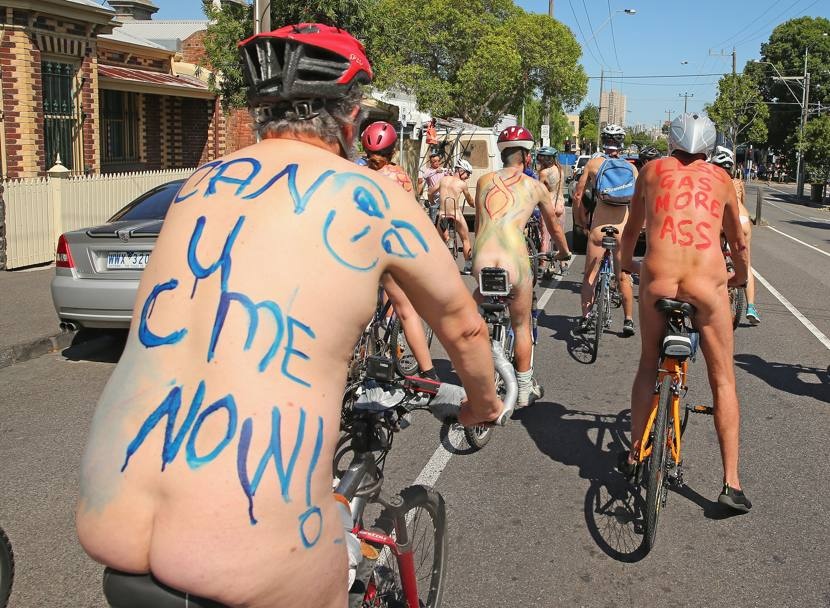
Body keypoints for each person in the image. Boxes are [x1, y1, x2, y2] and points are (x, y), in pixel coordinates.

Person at [77, 24, 504, 608]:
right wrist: (481, 405)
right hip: (244, 554)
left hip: (112, 521)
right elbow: (464, 323)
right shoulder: (371, 197)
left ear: (259, 115)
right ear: (351, 120)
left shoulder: (196, 185)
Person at [620, 113, 751, 512]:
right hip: (706, 284)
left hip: (658, 279)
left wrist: (628, 263)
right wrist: (739, 278)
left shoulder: (650, 171)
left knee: (647, 364)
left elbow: (632, 230)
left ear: (671, 141)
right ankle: (731, 483)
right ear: (709, 146)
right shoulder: (722, 180)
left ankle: (633, 454)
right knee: (723, 380)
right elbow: (738, 241)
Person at [472, 125, 560, 406]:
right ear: (525, 154)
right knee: (521, 325)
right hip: (514, 261)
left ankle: (475, 369)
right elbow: (555, 228)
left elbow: (479, 224)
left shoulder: (483, 181)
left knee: (474, 316)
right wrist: (565, 253)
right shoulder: (535, 186)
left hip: (482, 260)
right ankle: (523, 389)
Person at [361, 120, 442, 378]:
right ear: (393, 151)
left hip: (355, 251)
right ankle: (428, 373)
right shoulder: (400, 177)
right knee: (405, 309)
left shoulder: (353, 171)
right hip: (387, 250)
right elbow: (411, 218)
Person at [572, 123, 637, 337]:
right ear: (621, 143)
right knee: (623, 277)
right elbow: (639, 203)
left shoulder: (594, 165)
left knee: (590, 275)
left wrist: (581, 220)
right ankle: (628, 321)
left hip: (599, 229)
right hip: (623, 231)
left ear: (604, 141)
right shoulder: (632, 168)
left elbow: (579, 195)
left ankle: (586, 317)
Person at [710, 145, 761, 325]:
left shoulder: (711, 181)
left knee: (712, 255)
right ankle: (751, 307)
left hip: (724, 222)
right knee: (746, 264)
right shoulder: (738, 182)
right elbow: (741, 202)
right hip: (744, 220)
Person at [535, 146, 573, 272]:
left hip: (549, 206)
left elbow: (538, 191)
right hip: (561, 205)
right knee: (559, 236)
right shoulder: (560, 170)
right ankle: (563, 265)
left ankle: (542, 265)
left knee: (545, 238)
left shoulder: (544, 173)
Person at [436, 158, 475, 271]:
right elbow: (470, 200)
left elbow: (430, 192)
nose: (468, 177)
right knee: (466, 239)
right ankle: (468, 266)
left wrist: (432, 200)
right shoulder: (462, 184)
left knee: (439, 240)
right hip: (456, 214)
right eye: (467, 173)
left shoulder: (443, 180)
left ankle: (440, 263)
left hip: (442, 214)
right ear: (461, 171)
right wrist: (473, 205)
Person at [418, 151, 448, 221]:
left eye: (438, 161)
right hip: (433, 197)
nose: (437, 162)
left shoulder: (442, 169)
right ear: (431, 162)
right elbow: (424, 176)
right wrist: (435, 171)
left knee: (443, 217)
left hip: (443, 196)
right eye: (434, 161)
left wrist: (448, 173)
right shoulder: (428, 170)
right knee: (433, 218)